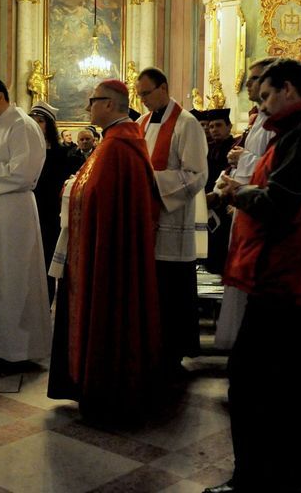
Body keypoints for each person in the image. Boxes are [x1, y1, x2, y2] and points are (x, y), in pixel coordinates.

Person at [205, 59, 301, 493]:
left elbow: (282, 202)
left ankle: (260, 480)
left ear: (289, 89)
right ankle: (276, 477)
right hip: (281, 273)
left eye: (266, 95)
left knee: (257, 385)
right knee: (276, 385)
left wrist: (237, 193)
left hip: (285, 273)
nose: (262, 105)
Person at [47, 80, 162, 415]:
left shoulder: (118, 146)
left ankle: (104, 388)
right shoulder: (117, 141)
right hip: (105, 246)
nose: (87, 108)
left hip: (108, 255)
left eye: (92, 101)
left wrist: (72, 192)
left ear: (110, 105)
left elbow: (94, 196)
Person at [0, 77, 51, 363]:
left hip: (13, 213)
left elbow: (23, 173)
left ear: (1, 96)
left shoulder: (22, 125)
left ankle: (19, 349)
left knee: (14, 278)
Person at [137, 67, 208, 374]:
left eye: (146, 93)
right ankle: (149, 348)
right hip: (145, 222)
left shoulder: (187, 123)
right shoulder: (140, 123)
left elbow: (197, 175)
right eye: (138, 95)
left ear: (163, 88)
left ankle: (173, 353)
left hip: (172, 221)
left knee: (171, 289)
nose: (142, 101)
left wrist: (151, 181)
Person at [213, 57, 277, 350]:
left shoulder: (275, 121)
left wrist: (243, 160)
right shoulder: (260, 118)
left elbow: (273, 167)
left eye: (253, 79)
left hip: (259, 208)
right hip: (244, 204)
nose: (247, 84)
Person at [29, 101, 73, 304]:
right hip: (29, 211)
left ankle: (45, 303)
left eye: (40, 121)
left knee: (46, 261)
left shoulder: (61, 153)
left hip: (50, 214)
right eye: (33, 121)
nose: (36, 125)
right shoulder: (25, 150)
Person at [204, 108, 235, 275]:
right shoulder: (206, 149)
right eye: (211, 127)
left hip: (226, 206)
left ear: (229, 127)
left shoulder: (236, 147)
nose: (214, 129)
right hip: (206, 206)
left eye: (218, 125)